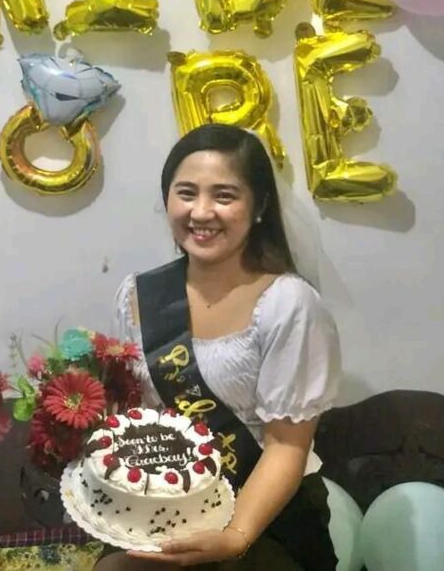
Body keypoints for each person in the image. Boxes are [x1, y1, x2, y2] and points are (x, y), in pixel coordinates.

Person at [97, 124, 341, 569]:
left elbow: (287, 445)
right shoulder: (137, 296)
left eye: (224, 196)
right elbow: (133, 418)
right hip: (167, 509)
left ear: (259, 206)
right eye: (186, 193)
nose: (201, 211)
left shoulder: (288, 304)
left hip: (269, 520)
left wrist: (234, 536)